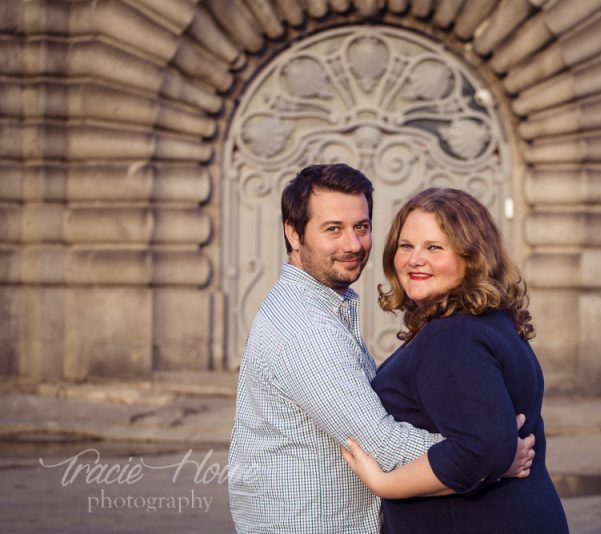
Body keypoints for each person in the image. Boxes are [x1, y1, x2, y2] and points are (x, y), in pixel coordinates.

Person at [228, 164, 534, 534]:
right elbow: (381, 445)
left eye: (361, 226)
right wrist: (490, 454)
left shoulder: (324, 310)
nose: (353, 245)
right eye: (333, 229)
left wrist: (484, 449)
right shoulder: (306, 329)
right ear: (293, 233)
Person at [342, 188, 570, 533]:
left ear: (473, 256)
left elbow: (481, 450)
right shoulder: (489, 321)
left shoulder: (453, 336)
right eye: (406, 246)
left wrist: (385, 485)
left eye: (435, 247)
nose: (415, 259)